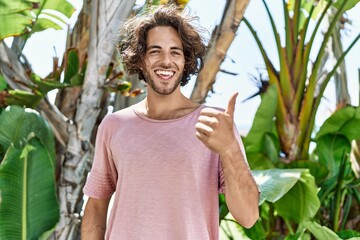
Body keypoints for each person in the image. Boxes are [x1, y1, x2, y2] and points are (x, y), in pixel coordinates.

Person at [81, 5, 259, 239]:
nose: (166, 61)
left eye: (175, 52)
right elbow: (96, 207)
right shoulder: (113, 125)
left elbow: (248, 216)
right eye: (155, 51)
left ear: (186, 60)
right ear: (140, 59)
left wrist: (230, 149)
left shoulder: (214, 124)